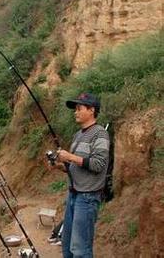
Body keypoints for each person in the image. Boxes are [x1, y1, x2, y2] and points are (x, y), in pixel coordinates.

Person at [56, 93, 110, 258]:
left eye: (79, 108)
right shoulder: (78, 135)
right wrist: (59, 166)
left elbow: (98, 164)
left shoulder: (100, 134)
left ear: (91, 110)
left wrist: (70, 157)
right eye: (75, 109)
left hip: (87, 198)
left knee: (81, 250)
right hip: (73, 196)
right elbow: (76, 166)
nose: (75, 112)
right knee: (67, 247)